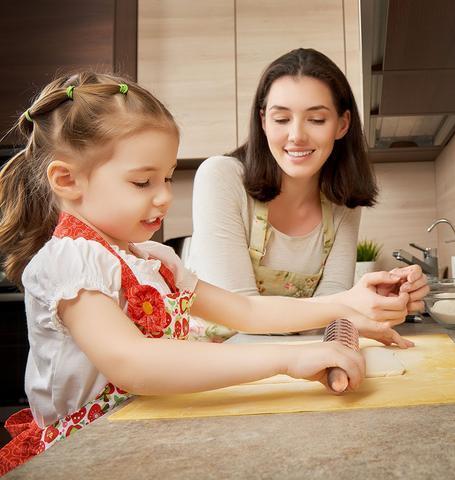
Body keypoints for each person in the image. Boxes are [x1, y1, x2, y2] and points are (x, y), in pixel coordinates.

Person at [0, 72, 415, 475]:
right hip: (86, 452)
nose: (164, 196)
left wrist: (343, 307)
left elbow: (246, 312)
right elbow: (133, 362)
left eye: (165, 177)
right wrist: (290, 357)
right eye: (143, 182)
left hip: (141, 429)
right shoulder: (72, 261)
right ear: (67, 180)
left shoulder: (154, 259)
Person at [187, 48, 428, 340]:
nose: (297, 135)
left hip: (296, 363)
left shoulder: (343, 202)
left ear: (342, 124)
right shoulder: (222, 178)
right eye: (281, 119)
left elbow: (329, 311)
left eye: (316, 119)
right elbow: (239, 316)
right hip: (215, 368)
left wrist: (369, 300)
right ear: (263, 122)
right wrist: (348, 304)